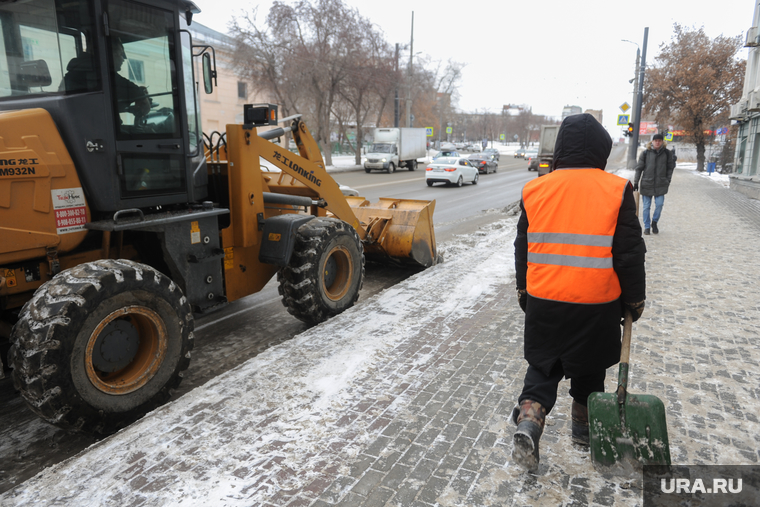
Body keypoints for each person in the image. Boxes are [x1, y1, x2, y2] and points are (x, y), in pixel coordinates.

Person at [512, 113, 646, 471]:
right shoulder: (617, 189)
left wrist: (523, 289)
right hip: (596, 303)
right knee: (590, 369)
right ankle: (583, 430)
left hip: (544, 299)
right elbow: (629, 253)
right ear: (602, 150)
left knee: (542, 367)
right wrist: (634, 298)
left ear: (561, 149)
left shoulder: (536, 188)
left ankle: (529, 419)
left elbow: (522, 246)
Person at [632, 133, 676, 235]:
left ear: (662, 142)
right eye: (655, 140)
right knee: (646, 207)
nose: (657, 142)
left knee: (659, 205)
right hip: (647, 183)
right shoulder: (645, 153)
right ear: (652, 141)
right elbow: (639, 169)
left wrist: (667, 180)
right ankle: (647, 227)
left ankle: (654, 222)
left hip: (661, 184)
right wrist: (635, 182)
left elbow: (670, 168)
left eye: (659, 140)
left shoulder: (667, 153)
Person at [111, 39, 151, 125]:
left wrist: (129, 109)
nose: (123, 59)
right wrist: (142, 96)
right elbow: (129, 89)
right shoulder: (106, 76)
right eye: (121, 54)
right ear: (112, 55)